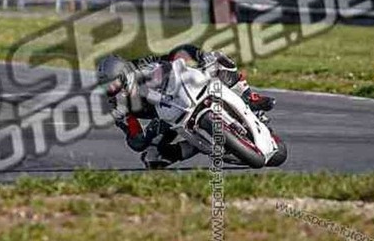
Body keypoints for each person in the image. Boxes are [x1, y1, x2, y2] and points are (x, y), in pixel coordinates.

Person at [97, 45, 275, 169]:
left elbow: (177, 52)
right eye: (107, 87)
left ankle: (249, 96)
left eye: (114, 83)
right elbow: (136, 141)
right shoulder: (115, 105)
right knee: (153, 159)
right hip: (167, 116)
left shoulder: (140, 66)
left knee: (217, 59)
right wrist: (142, 131)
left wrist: (200, 56)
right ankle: (199, 146)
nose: (112, 89)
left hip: (181, 88)